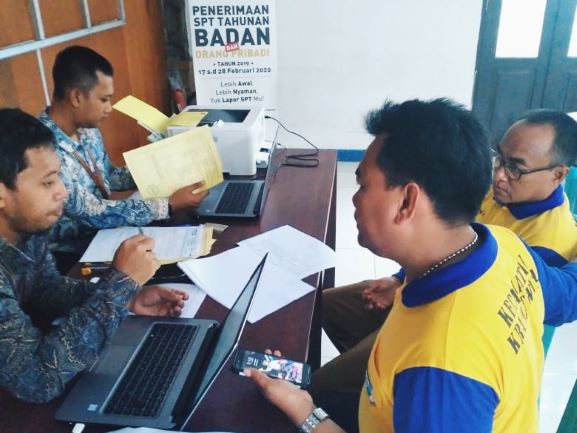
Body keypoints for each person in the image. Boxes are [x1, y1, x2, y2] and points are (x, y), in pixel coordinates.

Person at [246, 99, 577, 432]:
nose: (355, 198)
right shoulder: (507, 245)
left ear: (407, 201)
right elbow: (567, 294)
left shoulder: (439, 372)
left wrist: (306, 413)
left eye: (363, 185)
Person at [0, 108, 189, 403]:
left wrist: (125, 297)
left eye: (58, 177)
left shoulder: (26, 230)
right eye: (48, 182)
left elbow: (45, 291)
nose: (62, 192)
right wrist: (118, 287)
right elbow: (37, 381)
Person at [38, 45, 208, 265]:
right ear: (76, 97)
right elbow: (91, 212)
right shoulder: (41, 147)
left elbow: (108, 175)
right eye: (104, 99)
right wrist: (168, 205)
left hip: (106, 235)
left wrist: (163, 170)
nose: (109, 108)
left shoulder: (87, 130)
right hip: (72, 257)